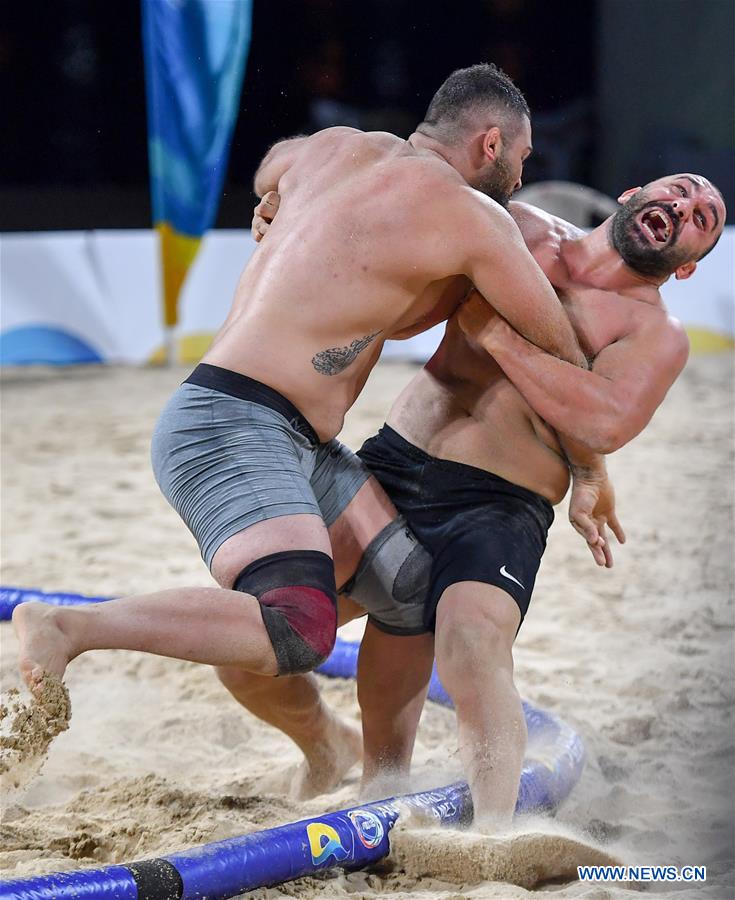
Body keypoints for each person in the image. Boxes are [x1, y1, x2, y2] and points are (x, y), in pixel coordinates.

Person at [11, 64, 584, 798]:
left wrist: (271, 200)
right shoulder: (474, 217)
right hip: (230, 424)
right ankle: (69, 628)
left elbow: (270, 162)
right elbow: (557, 348)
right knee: (298, 626)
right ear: (490, 141)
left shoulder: (335, 145)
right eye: (522, 158)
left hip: (284, 433)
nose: (521, 175)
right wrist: (590, 472)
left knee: (407, 589)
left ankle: (342, 756)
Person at [251, 172, 726, 824]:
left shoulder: (656, 333)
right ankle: (327, 749)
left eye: (702, 216)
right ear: (630, 194)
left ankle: (493, 844)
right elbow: (392, 212)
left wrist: (500, 337)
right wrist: (294, 202)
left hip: (499, 506)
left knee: (471, 644)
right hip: (391, 465)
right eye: (680, 191)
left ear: (688, 268)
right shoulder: (519, 229)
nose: (682, 206)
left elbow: (602, 422)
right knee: (251, 638)